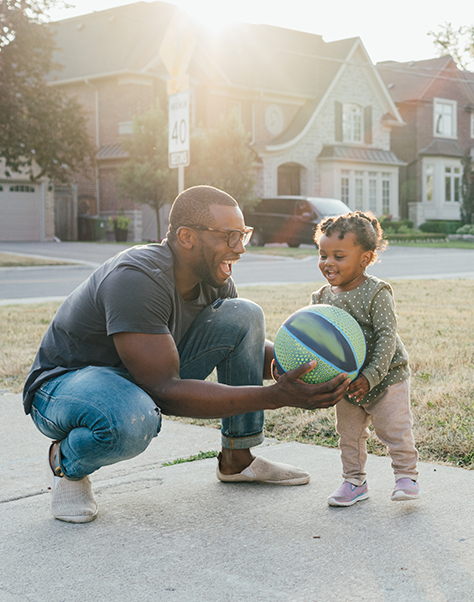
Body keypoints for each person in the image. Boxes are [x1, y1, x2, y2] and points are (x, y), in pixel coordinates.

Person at [22, 185, 350, 524]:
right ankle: (66, 464)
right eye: (230, 236)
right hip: (65, 387)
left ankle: (238, 459)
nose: (239, 249)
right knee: (132, 419)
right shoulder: (136, 277)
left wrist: (306, 369)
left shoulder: (213, 274)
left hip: (142, 375)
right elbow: (165, 391)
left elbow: (243, 345)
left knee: (243, 313)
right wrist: (275, 397)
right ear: (186, 237)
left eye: (244, 235)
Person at [306, 211, 419, 507]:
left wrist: (370, 377)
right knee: (349, 435)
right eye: (323, 254)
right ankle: (354, 482)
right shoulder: (320, 298)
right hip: (347, 381)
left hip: (387, 377)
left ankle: (406, 476)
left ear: (366, 258)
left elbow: (386, 338)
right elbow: (310, 340)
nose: (328, 262)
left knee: (394, 429)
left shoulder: (376, 292)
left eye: (339, 256)